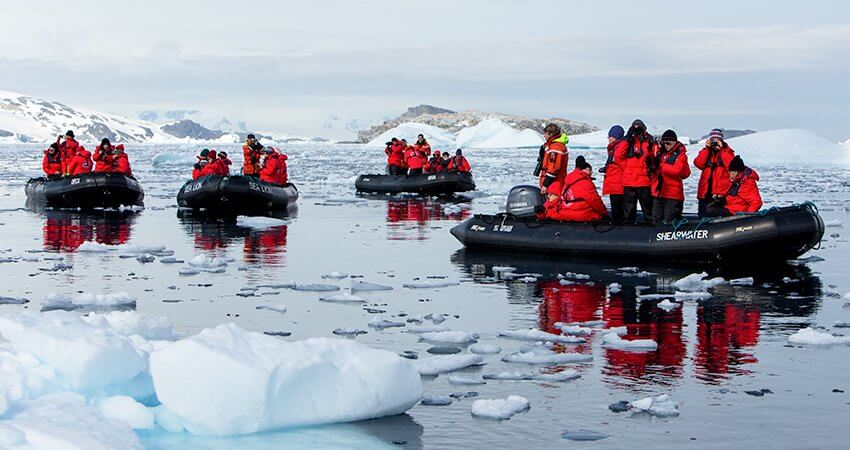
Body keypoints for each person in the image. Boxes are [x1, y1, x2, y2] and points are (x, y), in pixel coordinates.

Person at [541, 156, 609, 222]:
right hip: (582, 214)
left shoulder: (567, 181)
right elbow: (595, 200)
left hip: (566, 213)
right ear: (586, 169)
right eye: (590, 170)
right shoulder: (586, 183)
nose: (591, 173)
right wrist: (605, 213)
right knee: (597, 216)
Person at [614, 119, 657, 223]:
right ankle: (630, 230)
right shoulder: (627, 141)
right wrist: (627, 140)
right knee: (629, 211)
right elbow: (617, 156)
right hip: (632, 182)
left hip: (643, 181)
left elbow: (654, 157)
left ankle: (648, 229)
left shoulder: (649, 142)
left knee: (647, 210)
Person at [651, 130, 691, 224]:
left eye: (668, 142)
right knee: (656, 218)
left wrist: (661, 165)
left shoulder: (680, 155)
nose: (666, 145)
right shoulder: (661, 154)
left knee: (670, 220)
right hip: (660, 192)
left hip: (673, 195)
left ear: (674, 142)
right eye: (664, 143)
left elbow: (677, 170)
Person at [694, 128, 736, 217]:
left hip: (719, 195)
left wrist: (722, 150)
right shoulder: (706, 152)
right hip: (705, 192)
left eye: (717, 139)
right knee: (702, 216)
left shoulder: (727, 152)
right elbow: (698, 164)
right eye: (713, 139)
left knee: (716, 216)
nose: (715, 142)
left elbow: (731, 166)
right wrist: (707, 149)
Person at [600, 125, 625, 224]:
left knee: (618, 209)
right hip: (614, 185)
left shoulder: (619, 148)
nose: (609, 139)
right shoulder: (613, 148)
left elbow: (621, 164)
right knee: (616, 209)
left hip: (618, 185)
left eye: (611, 136)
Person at [538, 123, 569, 196]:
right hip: (553, 182)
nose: (544, 136)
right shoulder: (552, 146)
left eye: (545, 133)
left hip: (554, 183)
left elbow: (554, 168)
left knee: (553, 204)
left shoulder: (556, 148)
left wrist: (546, 184)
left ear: (551, 134)